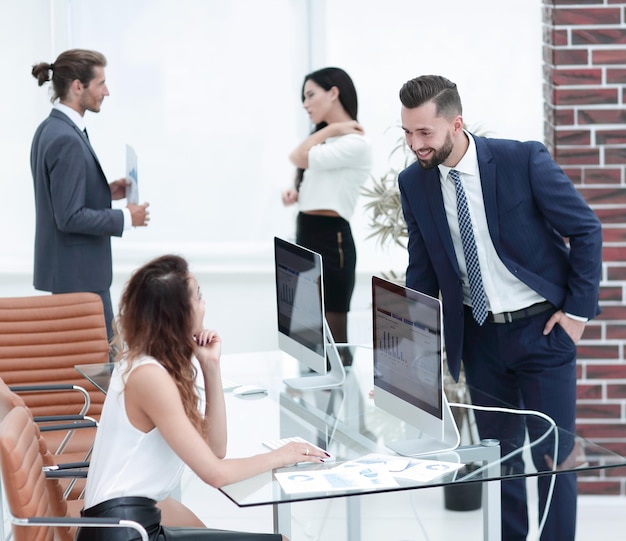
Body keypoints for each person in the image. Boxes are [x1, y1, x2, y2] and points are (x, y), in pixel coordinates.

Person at [397, 75, 602, 541]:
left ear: (456, 124)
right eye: (407, 133)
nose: (415, 144)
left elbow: (587, 229)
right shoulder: (414, 183)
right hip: (480, 339)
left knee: (554, 460)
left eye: (425, 133)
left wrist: (576, 314)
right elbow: (421, 271)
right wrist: (413, 356)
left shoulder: (520, 159)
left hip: (543, 332)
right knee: (502, 461)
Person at [75, 254, 327, 541]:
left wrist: (210, 367)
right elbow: (216, 474)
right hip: (128, 533)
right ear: (177, 313)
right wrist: (282, 455)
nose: (204, 304)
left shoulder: (149, 363)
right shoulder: (150, 377)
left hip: (131, 523)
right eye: (199, 297)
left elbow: (215, 449)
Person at [30, 49, 150, 341]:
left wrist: (105, 191)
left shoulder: (50, 129)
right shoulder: (66, 139)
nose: (106, 92)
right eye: (101, 83)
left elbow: (60, 198)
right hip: (80, 280)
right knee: (101, 370)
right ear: (77, 86)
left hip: (72, 275)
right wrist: (125, 217)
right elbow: (69, 217)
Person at [282, 67, 372, 364]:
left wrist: (332, 129)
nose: (306, 104)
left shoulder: (354, 141)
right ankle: (310, 407)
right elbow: (313, 174)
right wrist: (297, 192)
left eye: (310, 95)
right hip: (306, 232)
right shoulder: (328, 140)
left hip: (331, 240)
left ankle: (344, 407)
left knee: (335, 347)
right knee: (305, 340)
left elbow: (297, 156)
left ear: (333, 93)